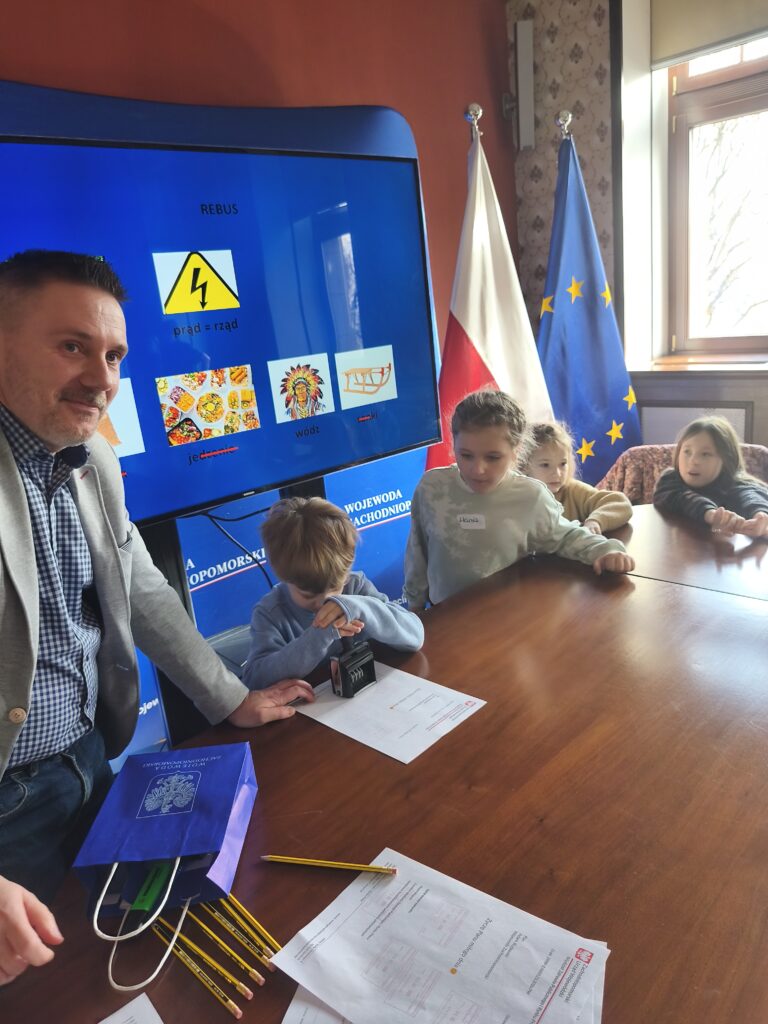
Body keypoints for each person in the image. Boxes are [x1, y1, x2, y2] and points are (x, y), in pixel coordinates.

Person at [0, 250, 314, 985]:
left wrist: (230, 698)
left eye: (113, 355)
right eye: (72, 346)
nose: (102, 379)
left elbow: (140, 586)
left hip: (87, 765)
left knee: (109, 960)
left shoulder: (91, 455)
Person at [403, 390, 635, 609]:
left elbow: (567, 536)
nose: (478, 469)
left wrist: (606, 550)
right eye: (466, 455)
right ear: (454, 445)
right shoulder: (432, 488)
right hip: (443, 613)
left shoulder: (530, 496)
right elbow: (417, 550)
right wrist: (415, 606)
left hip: (506, 614)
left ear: (517, 451)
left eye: (493, 457)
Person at [242, 497, 424, 688]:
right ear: (284, 578)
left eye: (335, 589)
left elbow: (415, 636)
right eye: (308, 596)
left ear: (347, 573)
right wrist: (319, 635)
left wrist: (360, 607)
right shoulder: (271, 612)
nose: (324, 603)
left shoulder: (356, 587)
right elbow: (255, 681)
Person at [653, 416, 768, 537]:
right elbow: (681, 498)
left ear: (726, 459)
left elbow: (752, 496)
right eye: (687, 451)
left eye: (705, 454)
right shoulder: (670, 479)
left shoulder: (733, 483)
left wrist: (761, 516)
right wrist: (711, 514)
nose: (693, 461)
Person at [523, 421, 632, 534]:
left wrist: (595, 521)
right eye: (545, 465)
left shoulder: (573, 491)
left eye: (563, 464)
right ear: (525, 465)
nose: (557, 473)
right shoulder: (516, 495)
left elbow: (621, 504)